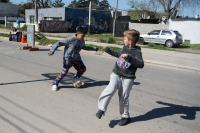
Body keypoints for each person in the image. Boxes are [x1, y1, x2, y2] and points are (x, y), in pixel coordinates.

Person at [95, 29, 144, 126]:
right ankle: (102, 109)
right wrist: (108, 50)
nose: (123, 41)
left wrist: (129, 57)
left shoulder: (137, 52)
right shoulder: (124, 48)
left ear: (130, 41)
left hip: (128, 78)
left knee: (124, 97)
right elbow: (118, 54)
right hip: (116, 74)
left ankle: (125, 117)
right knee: (110, 90)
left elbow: (141, 64)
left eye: (125, 39)